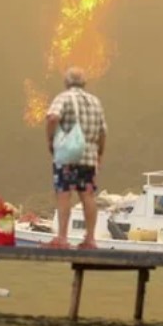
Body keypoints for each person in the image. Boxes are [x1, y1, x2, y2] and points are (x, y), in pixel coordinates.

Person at [44, 66, 107, 249]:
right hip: (88, 157)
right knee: (87, 195)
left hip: (67, 156)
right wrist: (99, 153)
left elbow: (53, 118)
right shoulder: (95, 102)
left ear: (66, 82)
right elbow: (103, 131)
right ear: (84, 83)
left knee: (64, 193)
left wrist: (50, 139)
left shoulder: (63, 98)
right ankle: (90, 239)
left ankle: (62, 238)